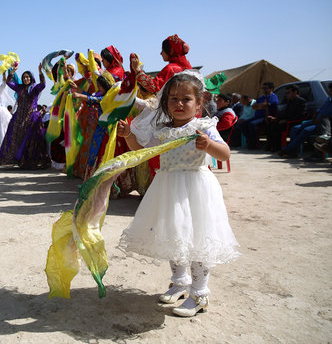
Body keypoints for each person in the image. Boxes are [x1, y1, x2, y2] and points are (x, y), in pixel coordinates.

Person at [117, 72, 239, 317]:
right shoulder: (162, 130)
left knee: (198, 241)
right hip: (167, 187)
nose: (179, 104)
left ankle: (200, 293)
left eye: (186, 99)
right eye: (173, 99)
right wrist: (128, 135)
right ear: (165, 102)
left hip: (196, 188)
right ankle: (180, 282)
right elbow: (143, 152)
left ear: (199, 103)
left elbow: (224, 154)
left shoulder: (203, 127)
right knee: (175, 237)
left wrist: (209, 145)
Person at [0, 63, 51, 169]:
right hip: (19, 117)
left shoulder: (35, 88)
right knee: (15, 136)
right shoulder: (20, 88)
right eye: (24, 77)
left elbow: (43, 84)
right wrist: (13, 71)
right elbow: (8, 82)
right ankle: (17, 159)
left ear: (31, 78)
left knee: (29, 139)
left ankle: (28, 160)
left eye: (27, 77)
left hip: (31, 117)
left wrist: (40, 72)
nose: (26, 79)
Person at [279, 82, 332, 157]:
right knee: (295, 128)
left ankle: (287, 150)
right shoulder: (328, 100)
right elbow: (320, 110)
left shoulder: (301, 101)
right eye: (329, 90)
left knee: (306, 130)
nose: (329, 92)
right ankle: (293, 152)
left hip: (324, 124)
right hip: (315, 120)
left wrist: (321, 119)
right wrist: (315, 115)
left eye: (331, 90)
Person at [264, 85, 307, 152]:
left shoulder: (301, 101)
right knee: (270, 124)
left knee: (278, 127)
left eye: (288, 93)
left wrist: (287, 120)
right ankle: (273, 146)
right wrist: (276, 118)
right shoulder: (289, 101)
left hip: (294, 122)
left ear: (295, 92)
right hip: (287, 121)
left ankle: (279, 148)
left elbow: (301, 115)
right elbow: (286, 113)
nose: (286, 95)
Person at [243, 82, 279, 150]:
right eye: (263, 88)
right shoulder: (261, 97)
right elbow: (254, 106)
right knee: (243, 124)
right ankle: (251, 141)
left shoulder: (273, 97)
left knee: (252, 124)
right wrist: (262, 106)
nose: (264, 90)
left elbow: (268, 106)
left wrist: (262, 106)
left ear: (271, 89)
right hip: (257, 116)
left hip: (265, 117)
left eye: (266, 88)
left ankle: (254, 144)